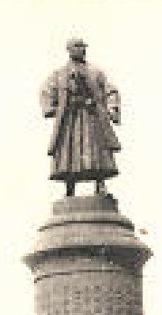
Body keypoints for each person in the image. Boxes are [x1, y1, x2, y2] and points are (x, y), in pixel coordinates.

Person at [40, 37, 122, 197]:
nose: (82, 49)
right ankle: (69, 189)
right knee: (69, 152)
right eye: (77, 46)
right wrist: (52, 108)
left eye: (83, 47)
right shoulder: (59, 74)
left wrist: (112, 109)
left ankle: (100, 185)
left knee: (96, 150)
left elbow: (111, 91)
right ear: (69, 50)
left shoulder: (96, 72)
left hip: (92, 115)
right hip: (69, 118)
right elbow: (46, 91)